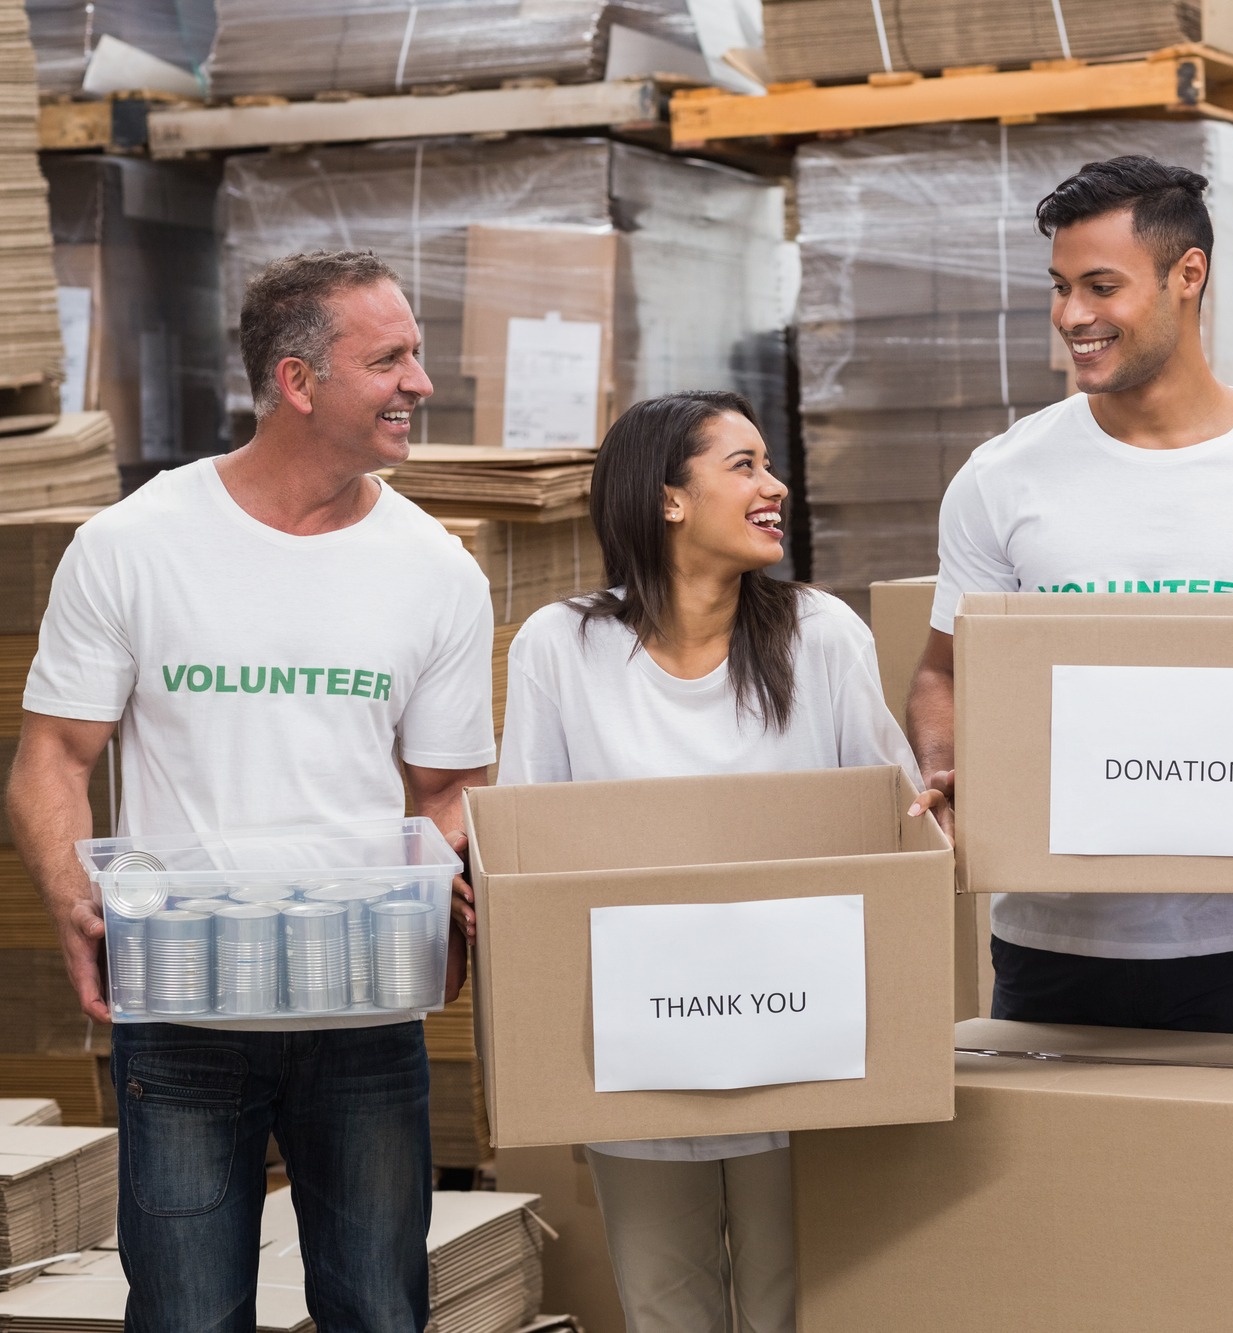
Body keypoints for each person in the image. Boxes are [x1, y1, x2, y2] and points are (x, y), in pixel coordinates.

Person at [7, 251, 494, 1329]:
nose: (420, 382)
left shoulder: (435, 568)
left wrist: (452, 878)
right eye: (391, 359)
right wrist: (67, 892)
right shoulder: (134, 545)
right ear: (297, 380)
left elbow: (450, 783)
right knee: (187, 1312)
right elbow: (53, 754)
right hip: (183, 1001)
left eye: (416, 354)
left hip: (363, 1006)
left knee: (377, 1306)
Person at [904, 155, 1233, 1038]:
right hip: (1049, 940)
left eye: (1100, 285)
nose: (1071, 317)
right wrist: (949, 768)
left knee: (1228, 1183)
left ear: (1188, 276)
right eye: (1059, 288)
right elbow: (941, 673)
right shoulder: (1002, 476)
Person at [497, 391, 918, 1333]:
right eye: (745, 465)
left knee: (795, 1308)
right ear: (667, 499)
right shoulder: (561, 651)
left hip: (805, 1048)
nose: (775, 487)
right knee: (665, 1310)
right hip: (641, 1053)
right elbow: (524, 863)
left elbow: (896, 829)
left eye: (771, 465)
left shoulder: (821, 635)